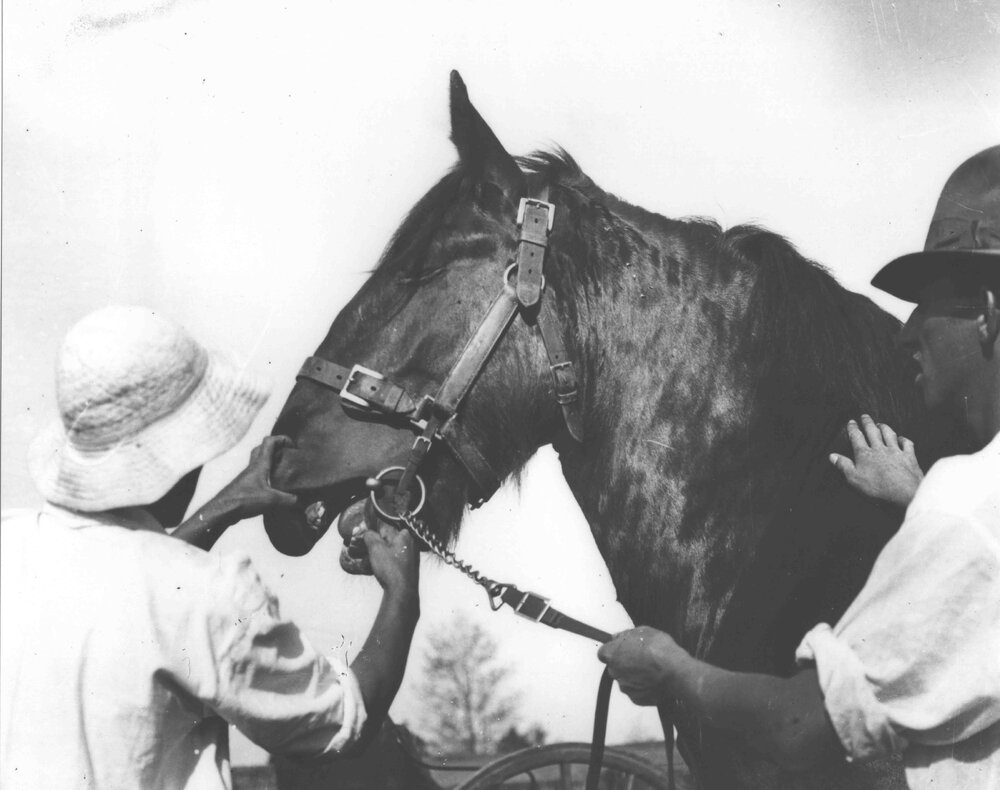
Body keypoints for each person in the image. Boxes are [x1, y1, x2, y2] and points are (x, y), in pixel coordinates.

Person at [597, 144, 1000, 788]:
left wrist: (670, 666)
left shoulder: (966, 506)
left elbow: (801, 730)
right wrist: (920, 502)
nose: (906, 332)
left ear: (986, 311)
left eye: (928, 304)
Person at [0, 305, 420, 789]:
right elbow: (345, 720)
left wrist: (225, 505)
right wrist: (401, 595)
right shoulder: (211, 595)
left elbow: (131, 591)